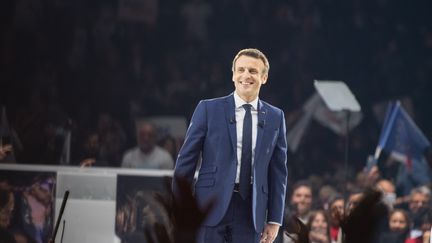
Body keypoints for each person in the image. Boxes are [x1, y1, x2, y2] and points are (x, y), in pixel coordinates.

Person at [172, 48, 288, 243]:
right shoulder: (208, 109)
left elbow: (278, 172)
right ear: (233, 75)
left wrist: (275, 219)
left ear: (264, 77)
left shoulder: (276, 117)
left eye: (252, 71)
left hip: (251, 212)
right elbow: (185, 162)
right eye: (240, 70)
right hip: (209, 206)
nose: (246, 75)